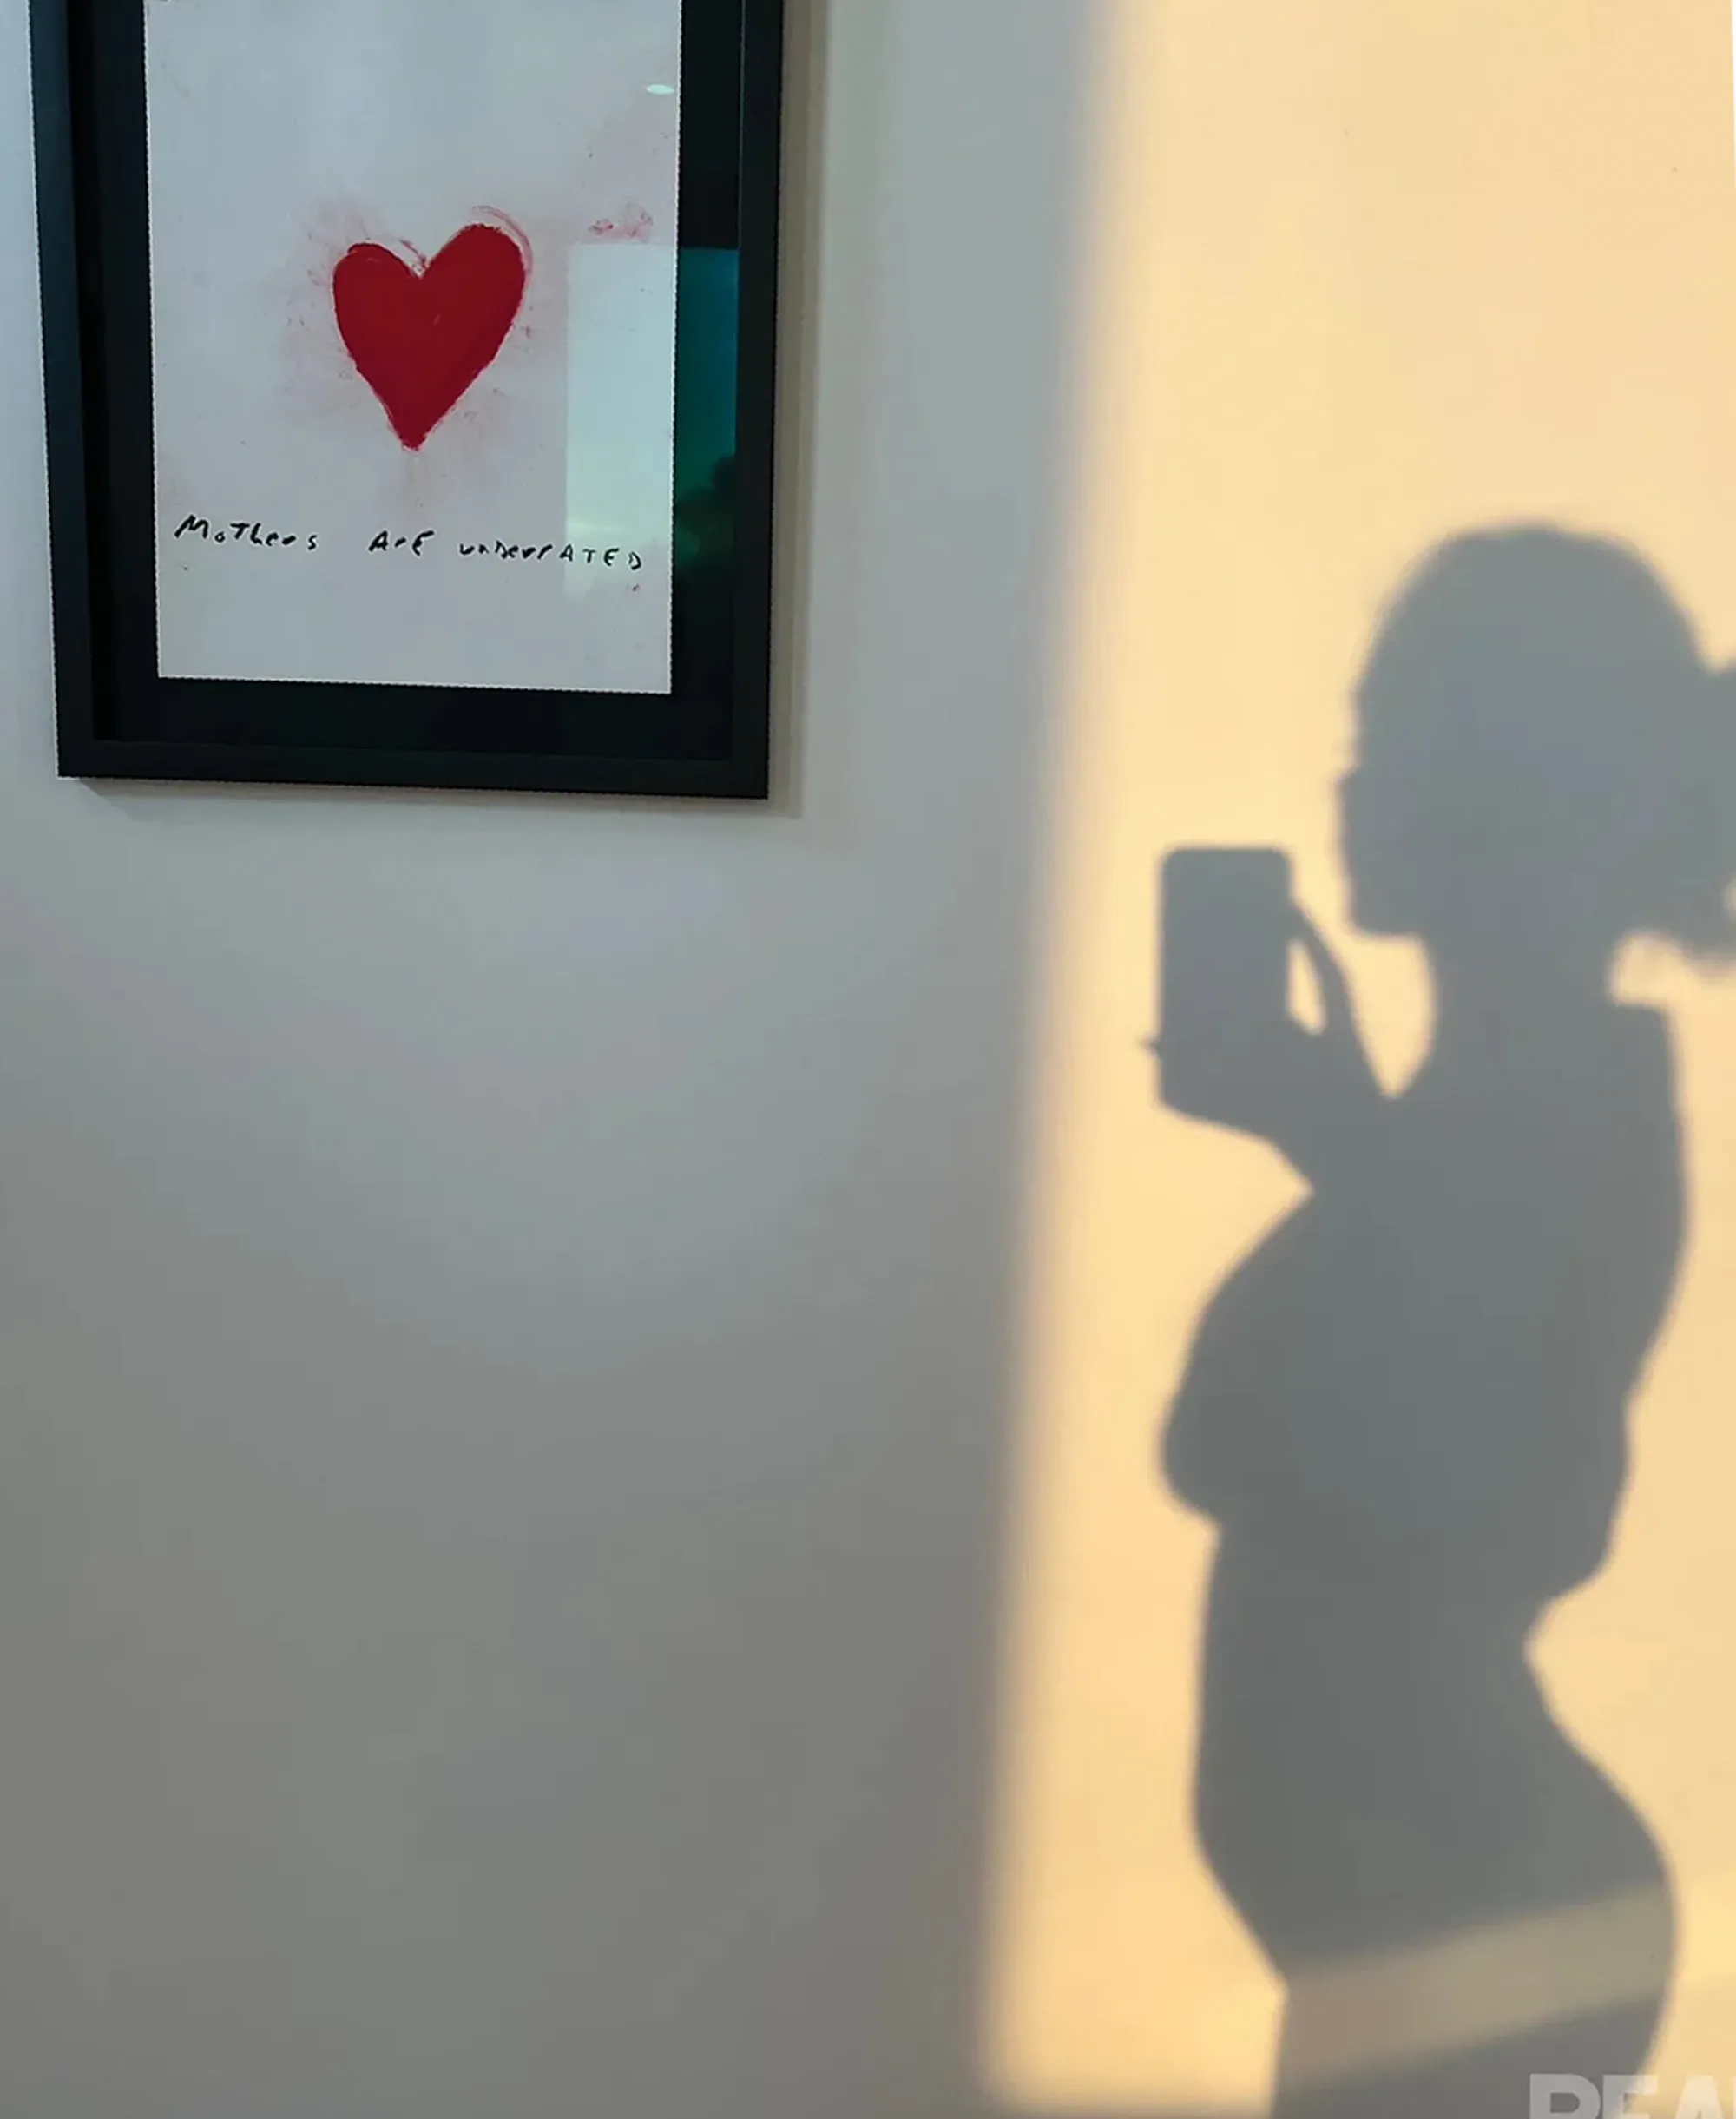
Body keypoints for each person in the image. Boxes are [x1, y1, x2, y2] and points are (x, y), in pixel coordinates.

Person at [1162, 529, 1736, 2116]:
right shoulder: (1474, 1114)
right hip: (1422, 1932)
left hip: (1482, 1925)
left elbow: (1512, 1463)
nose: (1351, 792)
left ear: (1519, 789)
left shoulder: (1567, 1123)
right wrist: (1342, 1139)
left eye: (1390, 742)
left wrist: (1342, 1145)